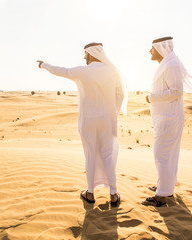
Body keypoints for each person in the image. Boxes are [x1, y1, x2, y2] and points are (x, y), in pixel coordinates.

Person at [37, 42, 127, 205]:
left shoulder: (83, 71)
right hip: (108, 119)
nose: (84, 57)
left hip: (88, 121)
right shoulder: (112, 72)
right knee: (108, 154)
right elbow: (120, 94)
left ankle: (90, 193)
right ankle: (113, 194)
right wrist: (113, 112)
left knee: (90, 154)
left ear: (91, 53)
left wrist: (44, 65)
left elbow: (60, 71)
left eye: (85, 54)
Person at [143, 37, 192, 207]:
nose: (150, 51)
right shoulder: (168, 64)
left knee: (161, 155)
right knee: (166, 155)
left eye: (152, 48)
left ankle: (161, 196)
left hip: (169, 118)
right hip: (166, 117)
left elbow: (176, 91)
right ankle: (165, 187)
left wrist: (151, 98)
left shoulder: (171, 65)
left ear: (161, 48)